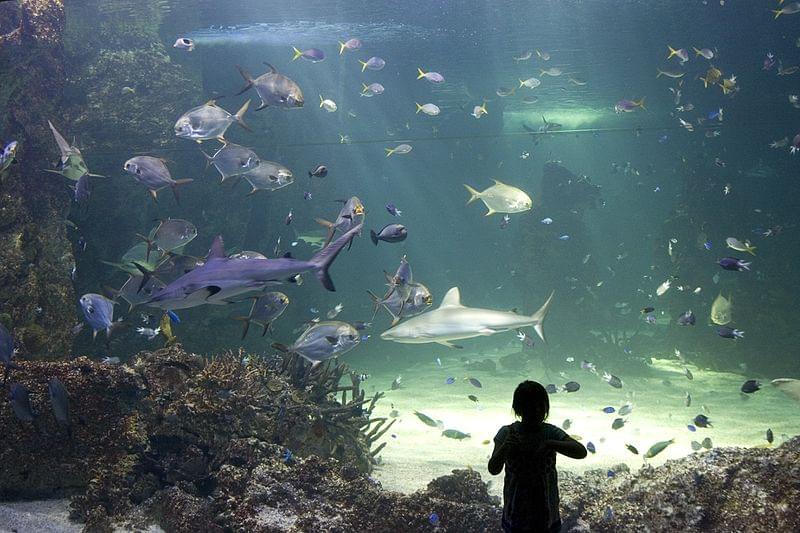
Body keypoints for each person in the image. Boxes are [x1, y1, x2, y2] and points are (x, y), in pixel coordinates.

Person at [488, 380, 587, 533]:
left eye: (541, 406)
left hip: (546, 511)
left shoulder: (550, 432)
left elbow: (581, 451)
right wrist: (506, 446)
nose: (537, 411)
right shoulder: (506, 433)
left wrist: (550, 444)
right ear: (518, 409)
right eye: (530, 407)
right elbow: (493, 469)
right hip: (516, 511)